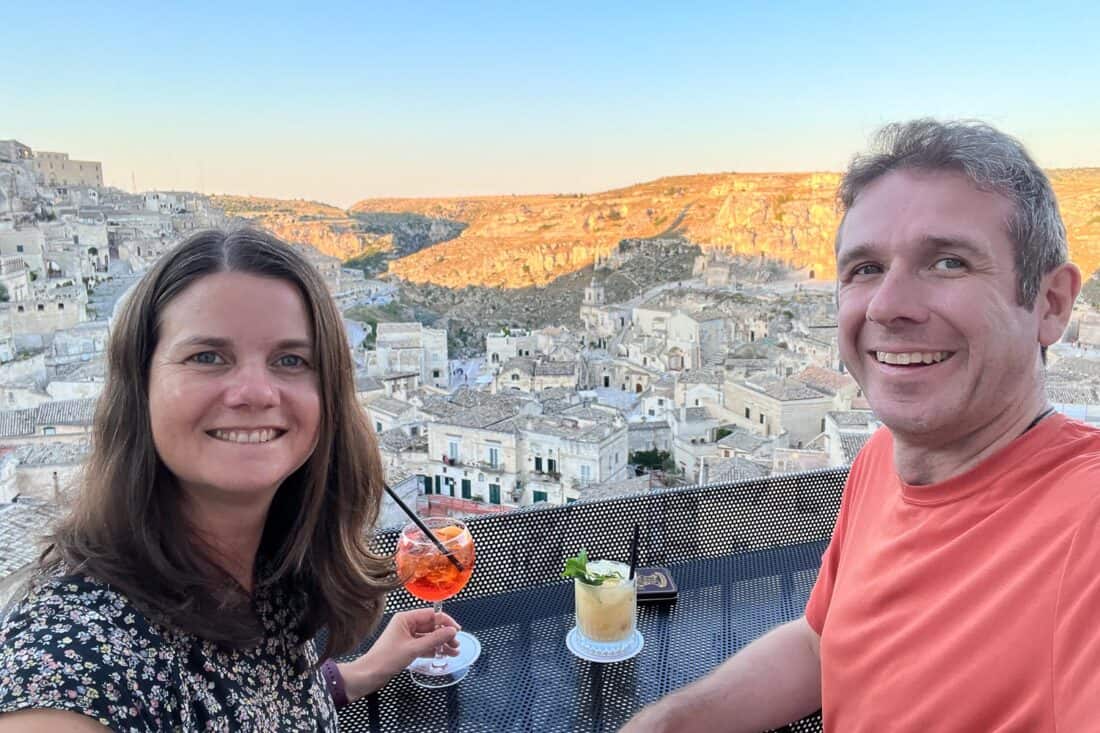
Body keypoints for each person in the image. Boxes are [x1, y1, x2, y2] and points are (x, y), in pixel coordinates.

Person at [623, 119, 1100, 732]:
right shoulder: (880, 460)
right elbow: (825, 645)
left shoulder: (1083, 527)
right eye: (866, 269)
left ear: (1051, 304)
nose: (886, 305)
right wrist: (665, 724)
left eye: (948, 262)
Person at [0, 228, 460, 731]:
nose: (255, 392)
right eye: (207, 357)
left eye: (290, 360)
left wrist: (359, 672)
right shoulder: (75, 653)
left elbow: (263, 706)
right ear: (140, 385)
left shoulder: (272, 577)